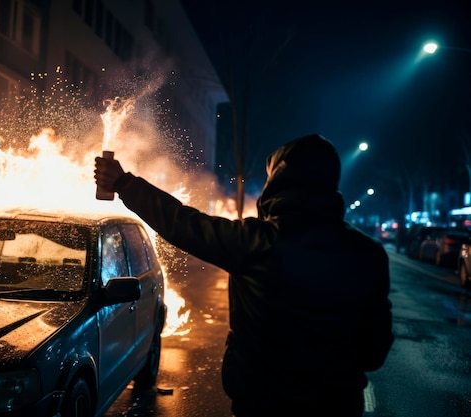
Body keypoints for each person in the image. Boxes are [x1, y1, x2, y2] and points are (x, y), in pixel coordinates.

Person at [94, 133, 394, 416]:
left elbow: (183, 224)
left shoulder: (258, 242)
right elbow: (374, 352)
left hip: (264, 402)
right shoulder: (369, 255)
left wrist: (123, 183)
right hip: (337, 405)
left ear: (279, 183)